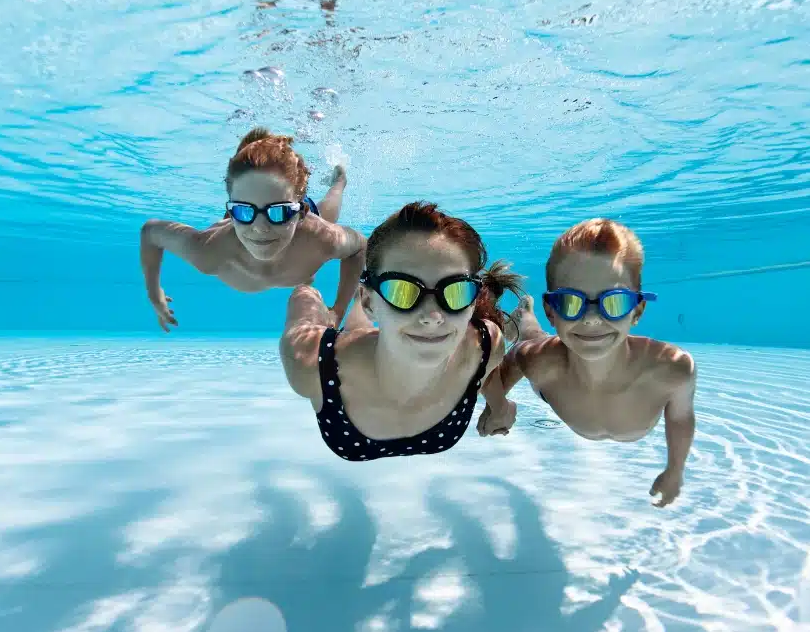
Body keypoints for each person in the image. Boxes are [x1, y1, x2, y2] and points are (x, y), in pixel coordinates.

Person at [478, 219, 697, 507]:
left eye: (614, 302)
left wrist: (675, 470)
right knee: (529, 339)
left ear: (637, 310)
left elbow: (680, 418)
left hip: (557, 357)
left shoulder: (672, 369)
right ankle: (526, 317)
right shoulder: (540, 362)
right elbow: (501, 365)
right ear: (552, 311)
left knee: (538, 339)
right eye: (571, 302)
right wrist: (496, 406)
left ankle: (527, 318)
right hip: (553, 376)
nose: (592, 318)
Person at [280, 202, 523, 461]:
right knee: (311, 298)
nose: (432, 317)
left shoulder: (485, 345)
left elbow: (485, 374)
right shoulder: (308, 363)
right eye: (402, 291)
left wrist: (499, 406)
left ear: (472, 301)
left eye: (455, 291)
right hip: (350, 344)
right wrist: (306, 289)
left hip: (375, 335)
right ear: (368, 301)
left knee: (365, 329)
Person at [140, 128, 361, 332]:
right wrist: (153, 293)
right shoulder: (207, 251)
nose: (260, 228)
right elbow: (150, 232)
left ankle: (340, 178)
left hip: (303, 234)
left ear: (302, 211)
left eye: (279, 212)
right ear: (230, 214)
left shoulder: (320, 238)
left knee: (330, 205)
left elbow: (359, 247)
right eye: (244, 212)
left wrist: (338, 312)